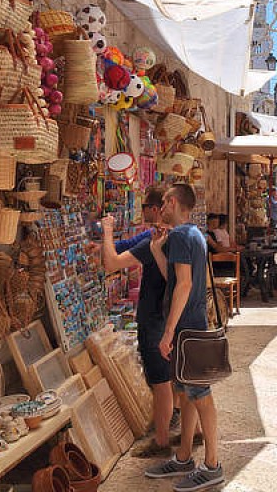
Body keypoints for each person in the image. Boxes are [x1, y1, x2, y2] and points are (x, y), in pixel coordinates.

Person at [145, 184, 223, 491]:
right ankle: (183, 456)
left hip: (185, 330)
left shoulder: (179, 236)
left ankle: (213, 465)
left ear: (173, 202)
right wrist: (154, 250)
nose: (160, 208)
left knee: (200, 396)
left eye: (163, 202)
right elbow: (177, 279)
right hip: (193, 326)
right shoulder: (195, 235)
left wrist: (167, 333)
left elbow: (184, 285)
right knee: (188, 395)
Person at [101, 187, 177, 458]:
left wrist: (108, 230)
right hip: (168, 318)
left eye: (150, 206)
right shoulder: (177, 236)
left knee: (160, 383)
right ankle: (184, 432)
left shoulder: (155, 241)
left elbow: (111, 263)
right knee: (170, 380)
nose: (146, 211)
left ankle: (162, 440)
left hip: (154, 320)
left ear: (162, 210)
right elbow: (129, 245)